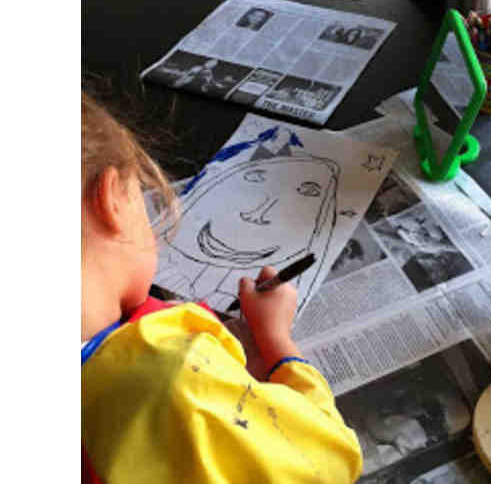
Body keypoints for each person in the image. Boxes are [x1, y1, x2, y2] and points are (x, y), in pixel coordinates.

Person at [81, 92, 363, 484]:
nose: (256, 212)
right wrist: (276, 340)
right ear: (111, 200)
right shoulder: (176, 378)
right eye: (141, 199)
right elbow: (332, 461)